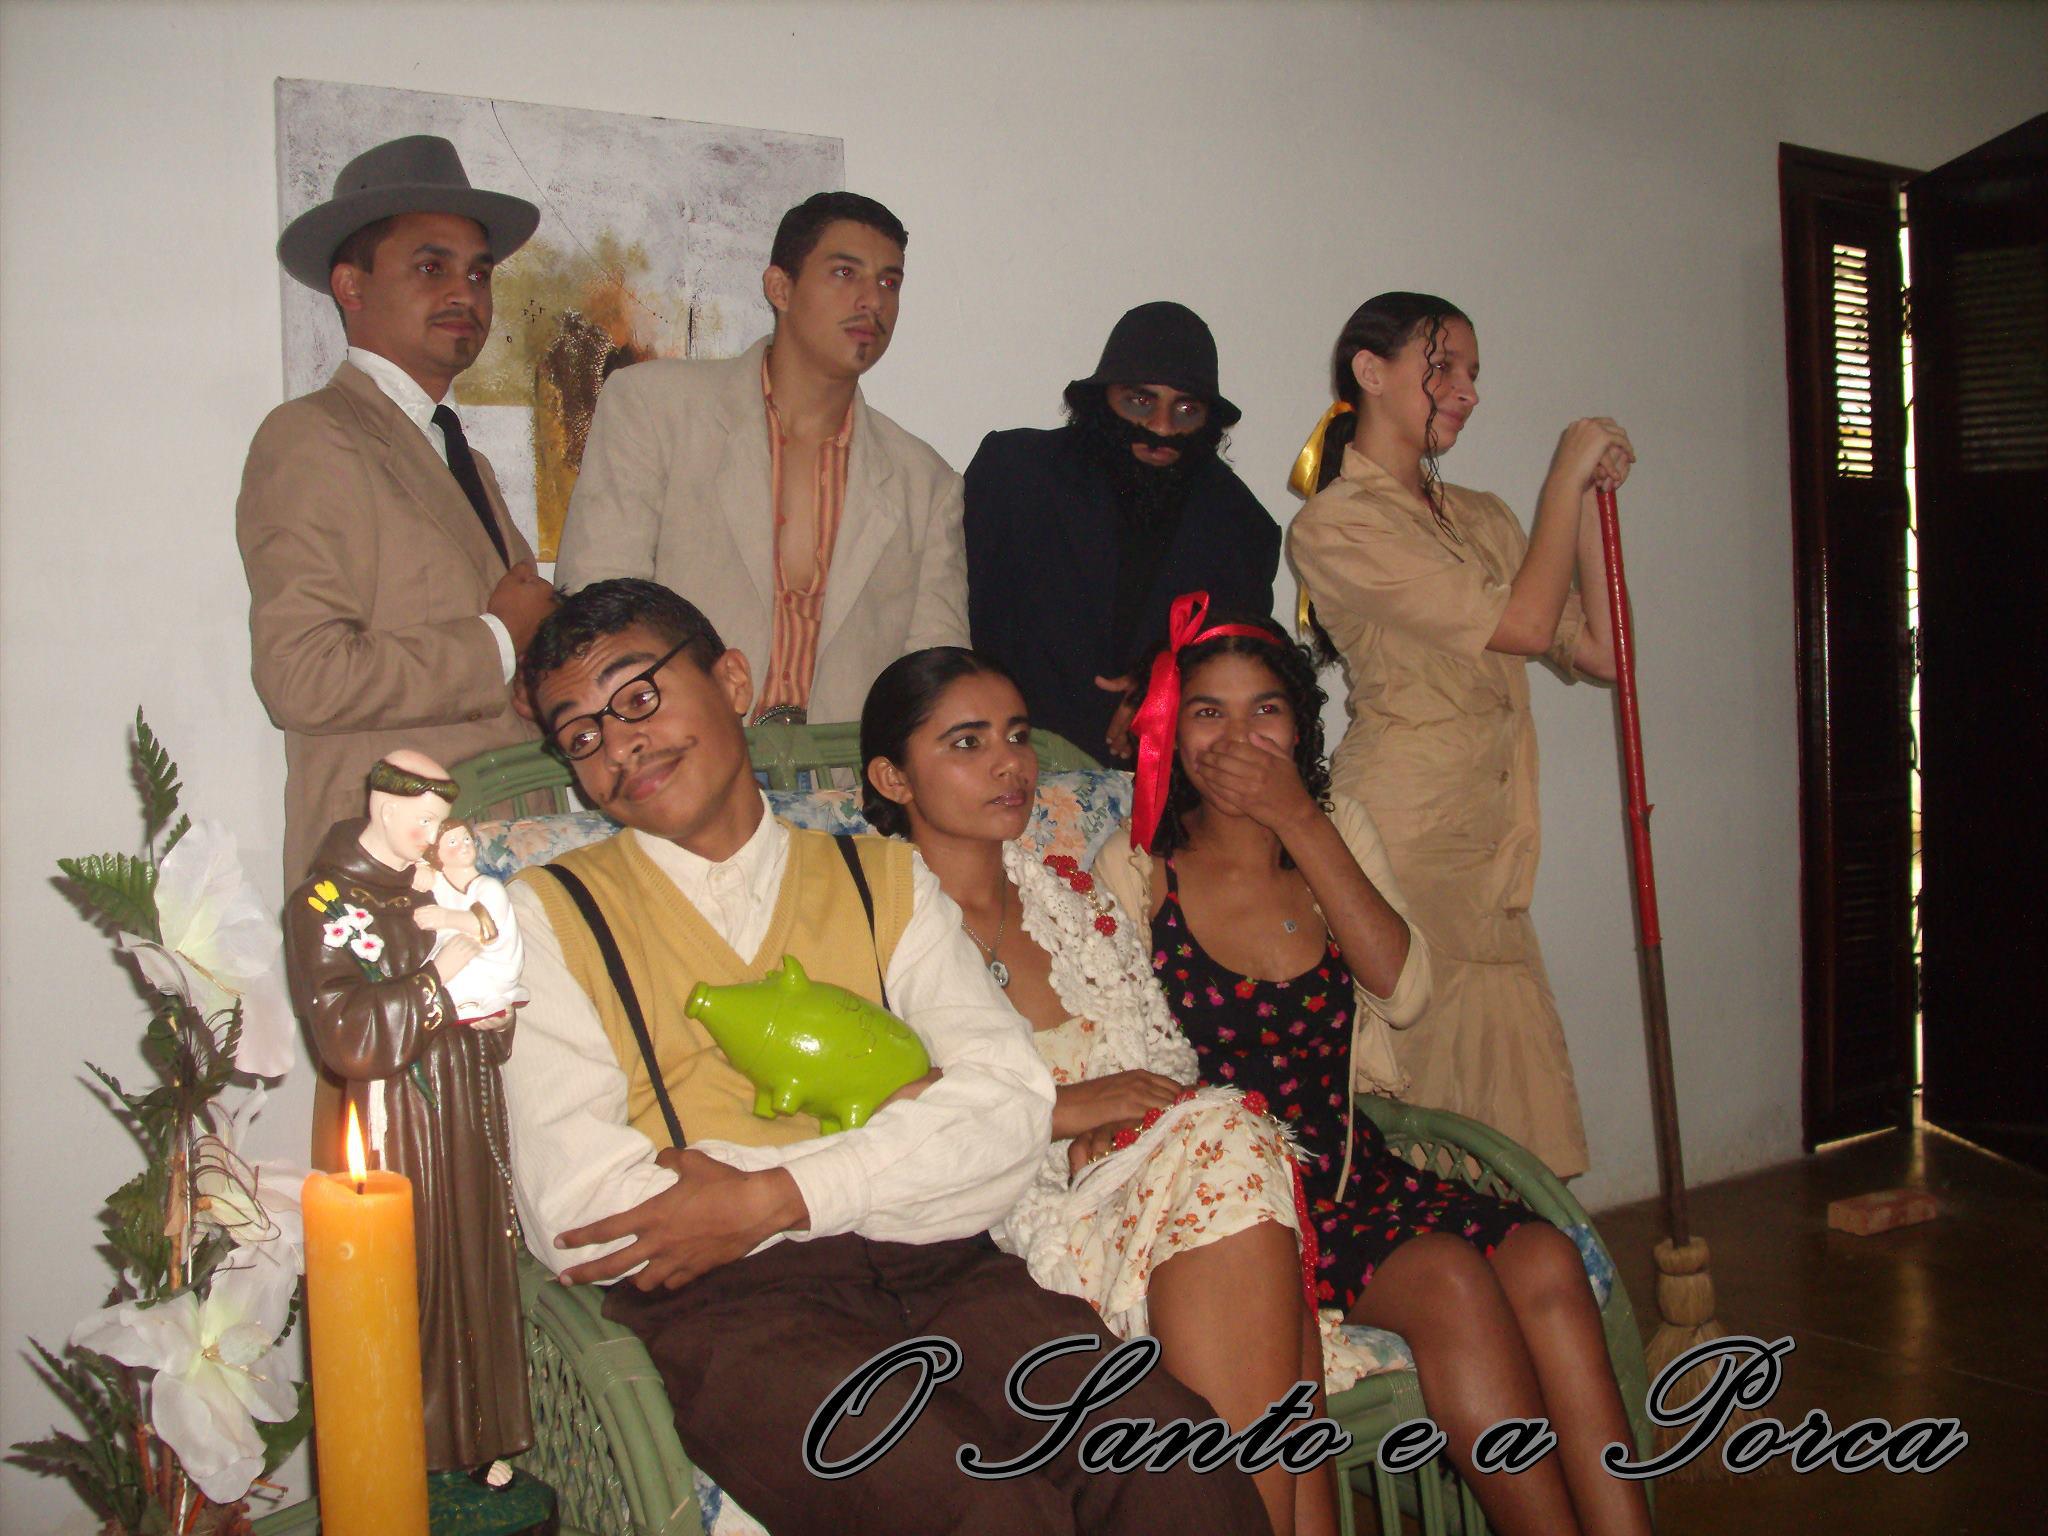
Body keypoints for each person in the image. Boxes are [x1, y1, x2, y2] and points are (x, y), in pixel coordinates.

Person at [496, 579, 1267, 1535]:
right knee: (982, 1511)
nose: (619, 747)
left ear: (731, 681)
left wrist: (771, 1197)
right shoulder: (546, 917)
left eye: (639, 696)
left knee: (1172, 1460)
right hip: (734, 1314)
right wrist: (910, 1142)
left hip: (951, 1271)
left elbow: (1007, 1108)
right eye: (581, 735)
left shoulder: (883, 879)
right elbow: (585, 1212)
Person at [1094, 599, 1652, 1536]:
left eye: (1265, 710)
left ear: (1298, 728)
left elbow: (1404, 989)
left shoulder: (1336, 823)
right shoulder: (1139, 867)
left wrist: (1300, 821)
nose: (1238, 737)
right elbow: (1126, 1064)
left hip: (1359, 1171)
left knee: (1547, 1258)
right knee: (1447, 1280)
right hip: (1247, 1214)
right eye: (1207, 712)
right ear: (1170, 731)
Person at [861, 646, 1339, 1536]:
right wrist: (1056, 1117)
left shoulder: (1073, 902)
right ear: (893, 778)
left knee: (1235, 1155)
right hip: (997, 1232)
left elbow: (1164, 1066)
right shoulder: (867, 920)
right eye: (967, 743)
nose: (1009, 763)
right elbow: (874, 1118)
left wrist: (1128, 1137)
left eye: (1016, 736)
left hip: (1148, 1189)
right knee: (1242, 1172)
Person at [1286, 293, 1634, 1178]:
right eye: (1443, 367)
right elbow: (1521, 626)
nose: (1468, 391)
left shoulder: (1483, 518)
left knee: (1518, 1120)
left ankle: (1513, 1255)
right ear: (1371, 372)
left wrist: (1590, 503)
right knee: (1423, 1106)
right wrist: (1560, 482)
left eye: (1475, 373)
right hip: (1404, 839)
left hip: (1494, 846)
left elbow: (1599, 652)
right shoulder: (1336, 524)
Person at [240, 134, 555, 884]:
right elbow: (302, 676)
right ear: (351, 286)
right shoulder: (311, 435)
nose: (465, 293)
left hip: (501, 857)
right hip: (390, 873)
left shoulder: (461, 456)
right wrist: (498, 642)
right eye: (430, 267)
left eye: (478, 273)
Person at [554, 192, 967, 725]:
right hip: (674, 751)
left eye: (890, 282)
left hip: (845, 772)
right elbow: (598, 609)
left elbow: (936, 681)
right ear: (780, 287)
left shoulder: (926, 482)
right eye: (845, 273)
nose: (872, 301)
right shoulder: (655, 407)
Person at [283, 751, 530, 1480]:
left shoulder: (439, 884)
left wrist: (494, 1021)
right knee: (414, 1272)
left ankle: (481, 1439)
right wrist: (435, 982)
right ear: (385, 810)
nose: (434, 836)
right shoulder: (323, 904)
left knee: (479, 1260)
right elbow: (344, 1032)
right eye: (423, 821)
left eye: (440, 822)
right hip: (399, 1119)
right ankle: (410, 1453)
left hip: (466, 1103)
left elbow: (493, 971)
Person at [964, 301, 1280, 759]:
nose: (1161, 427)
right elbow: (953, 618)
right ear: (1103, 400)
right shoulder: (1015, 474)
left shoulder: (1242, 527)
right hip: (997, 756)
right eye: (1140, 402)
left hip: (1156, 776)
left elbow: (1239, 663)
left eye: (1186, 409)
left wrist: (1166, 687)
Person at [414, 818, 528, 1023]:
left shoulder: (488, 887)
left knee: (453, 964)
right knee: (434, 966)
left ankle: (474, 1003)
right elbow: (403, 860)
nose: (464, 845)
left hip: (494, 960)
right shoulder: (439, 881)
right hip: (463, 953)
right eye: (453, 842)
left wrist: (444, 917)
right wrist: (421, 866)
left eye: (467, 839)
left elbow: (486, 929)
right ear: (436, 853)